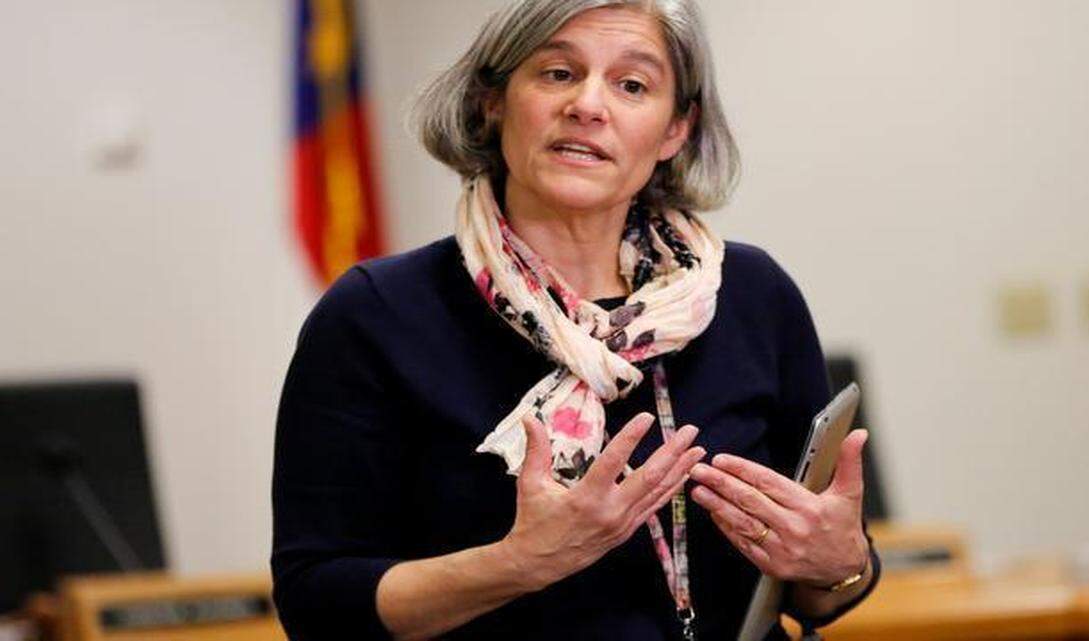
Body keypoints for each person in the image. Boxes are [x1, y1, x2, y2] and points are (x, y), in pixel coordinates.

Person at [271, 1, 880, 639]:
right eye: (558, 73)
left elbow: (820, 593)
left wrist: (841, 565)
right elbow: (317, 605)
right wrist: (516, 565)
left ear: (676, 129)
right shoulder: (376, 314)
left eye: (632, 85)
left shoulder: (753, 295)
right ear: (492, 101)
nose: (589, 105)